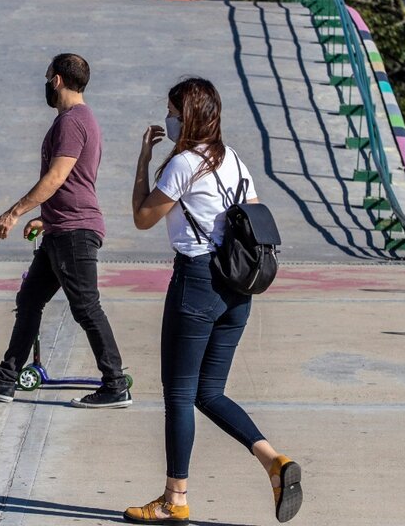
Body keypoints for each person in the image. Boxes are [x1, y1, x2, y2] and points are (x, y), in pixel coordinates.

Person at [125, 77, 302, 524]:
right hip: (238, 289)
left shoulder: (184, 163)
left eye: (171, 109)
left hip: (198, 281)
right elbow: (254, 216)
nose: (167, 116)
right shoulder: (235, 161)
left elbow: (143, 217)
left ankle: (174, 498)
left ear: (185, 116)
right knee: (210, 392)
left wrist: (145, 158)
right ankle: (274, 462)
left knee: (181, 394)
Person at [0, 53, 131, 408]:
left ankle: (115, 385)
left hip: (74, 230)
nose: (45, 83)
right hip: (60, 227)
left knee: (86, 307)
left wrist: (15, 212)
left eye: (47, 77)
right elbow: (75, 181)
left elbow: (56, 177)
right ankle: (5, 380)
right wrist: (46, 217)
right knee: (30, 301)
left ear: (56, 80)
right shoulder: (79, 119)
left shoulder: (72, 121)